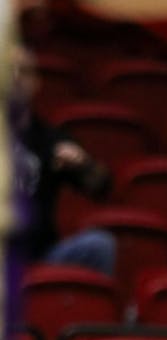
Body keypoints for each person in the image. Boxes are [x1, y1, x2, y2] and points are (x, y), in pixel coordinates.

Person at [7, 44, 116, 277]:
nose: (16, 78)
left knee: (99, 245)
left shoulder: (50, 138)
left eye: (24, 71)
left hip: (41, 255)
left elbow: (100, 186)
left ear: (36, 82)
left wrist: (83, 163)